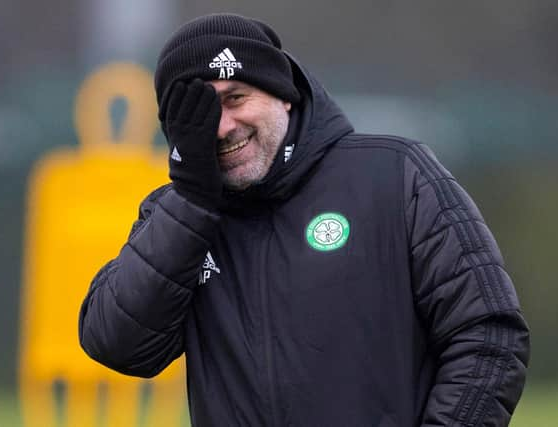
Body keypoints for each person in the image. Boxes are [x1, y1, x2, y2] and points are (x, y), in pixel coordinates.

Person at [79, 13, 530, 427]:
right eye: (198, 114)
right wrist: (193, 202)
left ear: (284, 96)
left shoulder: (396, 175)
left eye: (236, 98)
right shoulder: (176, 220)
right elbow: (118, 345)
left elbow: (488, 336)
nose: (222, 126)